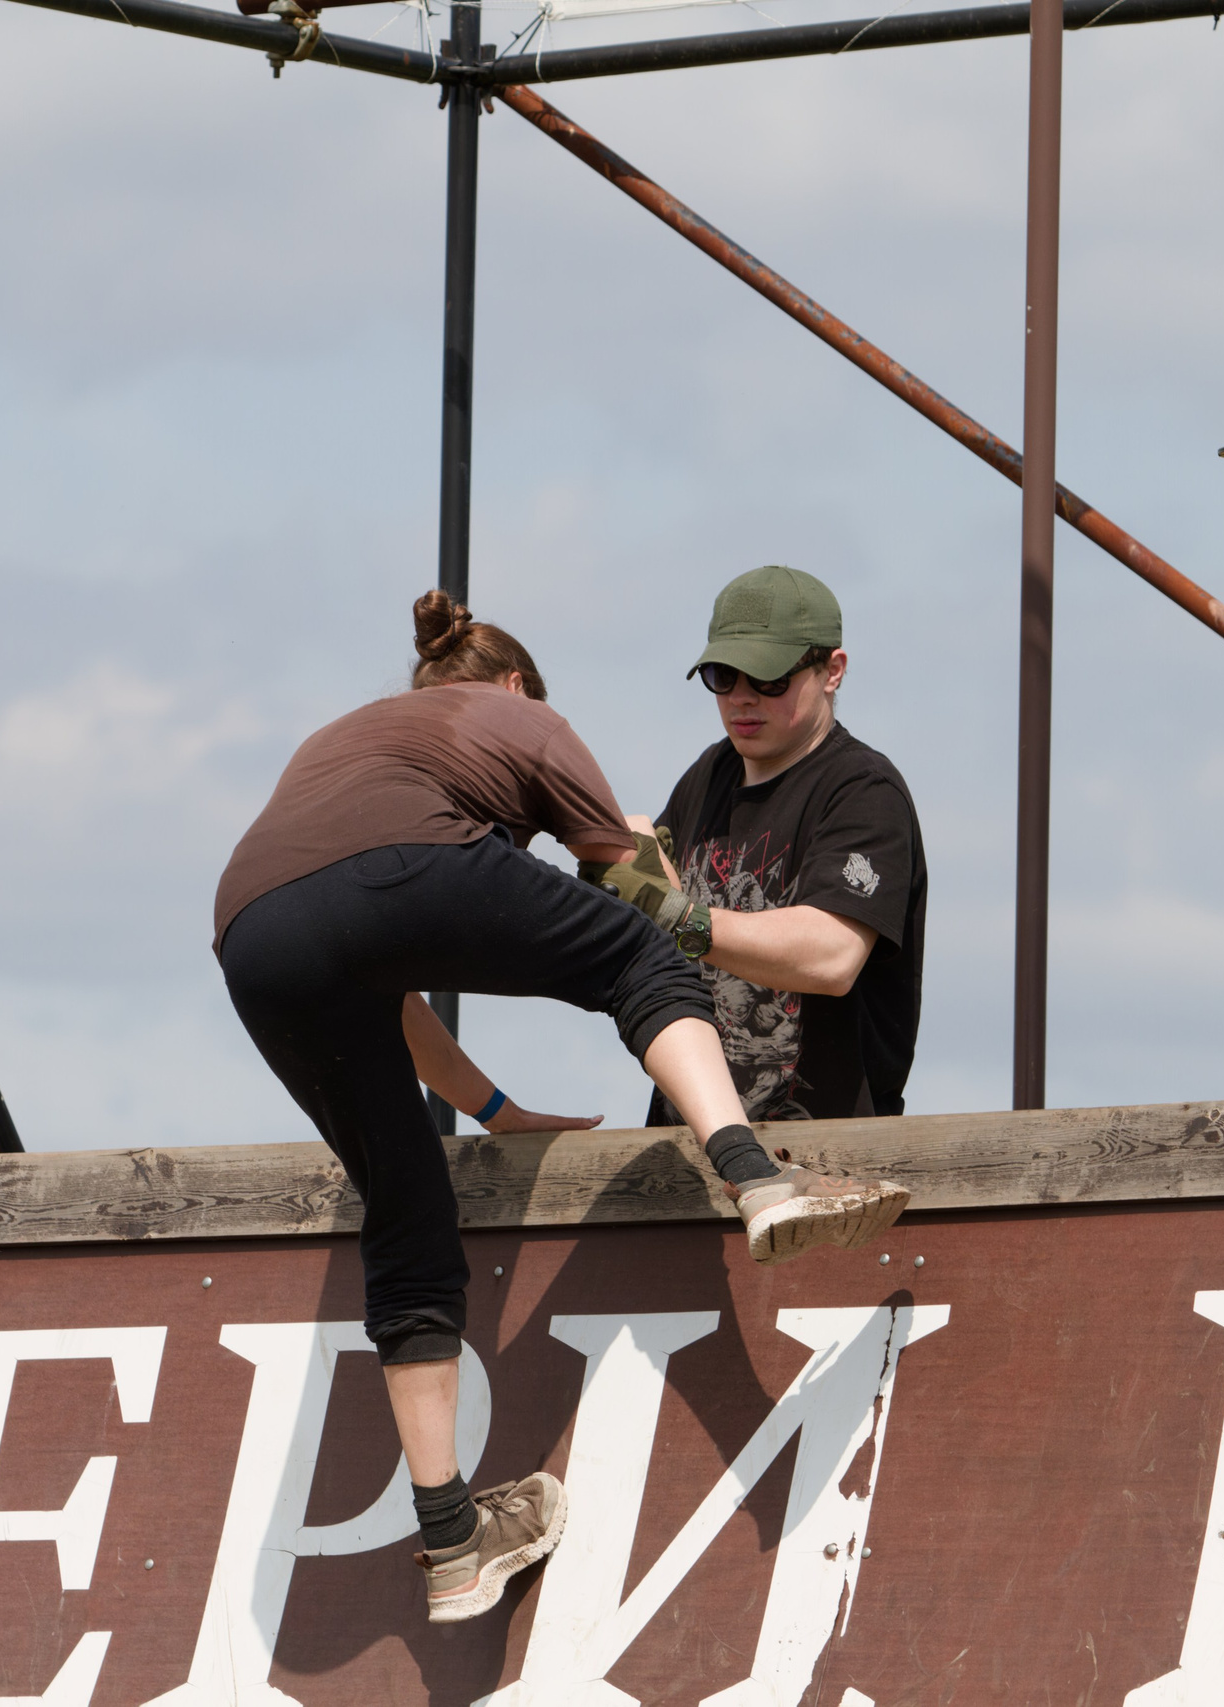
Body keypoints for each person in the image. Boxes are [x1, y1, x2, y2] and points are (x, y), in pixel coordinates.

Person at [212, 590, 909, 1624]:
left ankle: (451, 1542)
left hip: (250, 923)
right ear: (512, 689)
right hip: (394, 878)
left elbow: (379, 976)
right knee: (639, 956)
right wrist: (622, 850)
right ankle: (753, 1174)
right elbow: (631, 895)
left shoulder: (351, 748)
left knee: (405, 1216)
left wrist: (495, 1110)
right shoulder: (527, 719)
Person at [587, 565, 926, 1126]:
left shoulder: (863, 791)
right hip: (694, 1151)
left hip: (825, 1157)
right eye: (723, 675)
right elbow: (662, 930)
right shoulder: (708, 774)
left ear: (832, 670)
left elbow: (832, 955)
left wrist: (674, 916)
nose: (742, 699)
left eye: (769, 679)